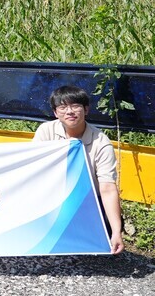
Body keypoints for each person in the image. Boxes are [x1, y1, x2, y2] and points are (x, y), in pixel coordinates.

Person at [33, 85, 124, 254]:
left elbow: (107, 188)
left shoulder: (101, 142)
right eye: (63, 107)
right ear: (55, 113)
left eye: (75, 106)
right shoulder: (45, 131)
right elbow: (35, 171)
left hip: (88, 201)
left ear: (86, 109)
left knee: (106, 234)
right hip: (54, 196)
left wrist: (117, 231)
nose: (70, 111)